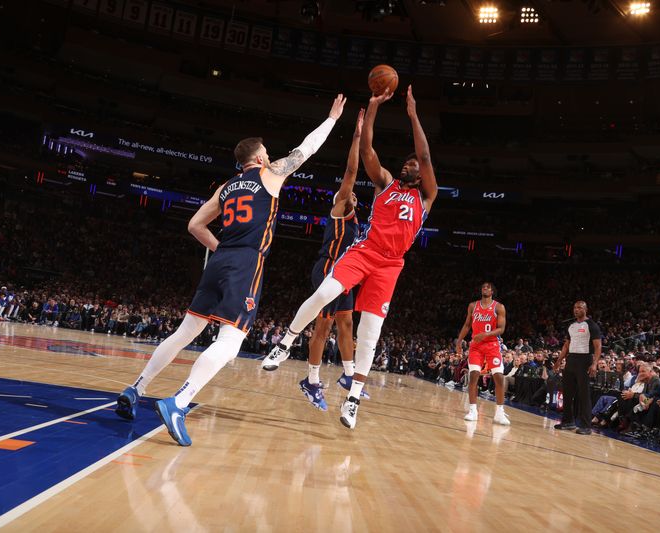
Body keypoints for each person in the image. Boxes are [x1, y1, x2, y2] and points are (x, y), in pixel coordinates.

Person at [114, 94, 347, 446]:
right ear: (258, 158)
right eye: (266, 151)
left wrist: (220, 248)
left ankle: (136, 388)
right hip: (246, 263)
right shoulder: (271, 174)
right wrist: (331, 120)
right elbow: (306, 149)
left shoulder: (225, 188)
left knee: (185, 332)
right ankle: (178, 402)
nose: (270, 155)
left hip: (219, 260)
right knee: (232, 341)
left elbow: (194, 225)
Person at [262, 85, 438, 429]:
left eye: (414, 164)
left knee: (370, 333)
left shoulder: (427, 197)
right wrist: (372, 108)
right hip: (366, 251)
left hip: (391, 265)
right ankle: (285, 343)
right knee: (324, 294)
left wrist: (413, 114)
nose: (411, 164)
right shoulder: (385, 183)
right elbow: (368, 149)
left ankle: (353, 399)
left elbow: (426, 156)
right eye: (408, 162)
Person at [261, 109, 370, 408]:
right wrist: (358, 136)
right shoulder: (339, 211)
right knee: (323, 328)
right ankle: (310, 381)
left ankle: (348, 375)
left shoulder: (356, 221)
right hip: (327, 272)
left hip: (346, 275)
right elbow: (350, 173)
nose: (352, 196)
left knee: (346, 325)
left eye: (353, 196)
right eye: (347, 194)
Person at [454, 282, 509, 425]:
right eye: (483, 287)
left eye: (488, 287)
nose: (485, 288)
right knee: (473, 375)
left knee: (498, 377)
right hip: (476, 346)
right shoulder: (473, 306)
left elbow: (501, 328)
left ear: (492, 291)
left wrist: (486, 334)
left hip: (492, 345)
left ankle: (499, 412)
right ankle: (473, 410)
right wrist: (459, 341)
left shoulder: (499, 307)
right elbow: (467, 325)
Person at [553, 301, 602, 435]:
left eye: (579, 307)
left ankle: (586, 426)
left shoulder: (591, 325)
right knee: (567, 392)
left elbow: (598, 346)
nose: (576, 310)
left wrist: (594, 363)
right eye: (574, 307)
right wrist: (559, 361)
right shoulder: (571, 326)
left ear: (585, 309)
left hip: (585, 359)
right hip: (571, 359)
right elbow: (566, 345)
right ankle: (568, 421)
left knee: (584, 394)